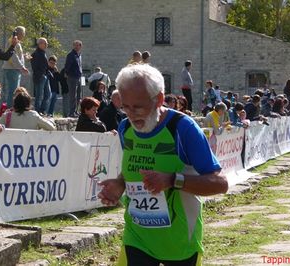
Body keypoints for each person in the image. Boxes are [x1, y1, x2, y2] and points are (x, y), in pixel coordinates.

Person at [98, 64, 228, 265]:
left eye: (138, 106)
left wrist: (172, 180)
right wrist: (120, 183)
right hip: (137, 238)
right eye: (125, 106)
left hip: (179, 242)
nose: (132, 114)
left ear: (159, 99)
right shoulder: (125, 128)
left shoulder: (182, 128)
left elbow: (220, 183)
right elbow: (134, 169)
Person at [2, 26, 29, 108]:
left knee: (14, 90)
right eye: (23, 34)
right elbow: (13, 57)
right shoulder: (12, 41)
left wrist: (24, 57)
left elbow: (17, 56)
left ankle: (12, 108)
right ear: (20, 33)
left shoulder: (16, 42)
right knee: (13, 91)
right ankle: (10, 109)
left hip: (14, 69)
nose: (24, 36)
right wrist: (22, 67)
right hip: (12, 69)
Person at [31, 37, 51, 114]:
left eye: (47, 43)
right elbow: (35, 67)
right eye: (45, 43)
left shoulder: (43, 53)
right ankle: (37, 111)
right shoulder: (36, 54)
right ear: (39, 44)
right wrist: (41, 74)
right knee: (39, 95)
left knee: (48, 94)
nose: (47, 44)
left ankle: (42, 110)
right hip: (40, 77)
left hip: (45, 76)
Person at [65, 40, 83, 117]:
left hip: (79, 77)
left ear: (80, 46)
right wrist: (67, 74)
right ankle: (71, 112)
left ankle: (76, 111)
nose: (76, 47)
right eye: (75, 45)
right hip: (72, 77)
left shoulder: (79, 55)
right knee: (73, 95)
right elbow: (67, 66)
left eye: (78, 45)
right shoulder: (71, 55)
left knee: (78, 95)